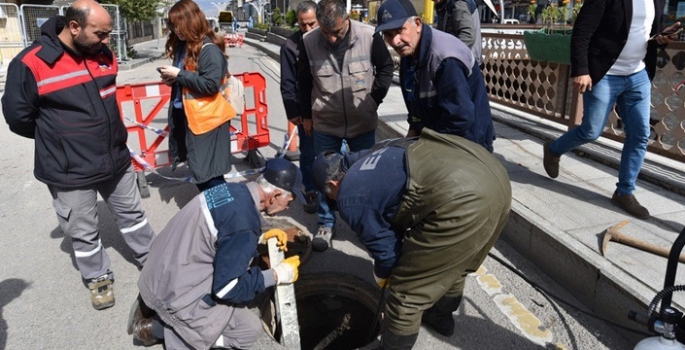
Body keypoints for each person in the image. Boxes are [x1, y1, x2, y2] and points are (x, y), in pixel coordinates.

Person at [1, 0, 155, 310]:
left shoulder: (104, 54)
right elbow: (18, 117)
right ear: (74, 27)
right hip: (69, 170)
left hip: (115, 158)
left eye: (109, 33)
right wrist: (59, 140)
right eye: (100, 33)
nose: (107, 41)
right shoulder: (32, 63)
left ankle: (153, 261)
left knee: (134, 217)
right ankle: (98, 278)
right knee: (83, 231)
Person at [311, 128, 512, 349]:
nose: (333, 202)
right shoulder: (376, 151)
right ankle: (440, 317)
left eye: (328, 196)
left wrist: (385, 275)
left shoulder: (349, 195)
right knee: (454, 264)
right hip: (494, 175)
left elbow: (387, 253)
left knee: (405, 295)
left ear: (332, 185)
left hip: (462, 200)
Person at [129, 158, 305, 349]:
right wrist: (276, 275)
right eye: (290, 200)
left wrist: (261, 237)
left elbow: (223, 232)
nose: (288, 207)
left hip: (158, 272)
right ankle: (158, 329)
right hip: (176, 292)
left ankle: (151, 305)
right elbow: (227, 289)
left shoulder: (233, 190)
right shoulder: (243, 228)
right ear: (275, 195)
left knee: (248, 320)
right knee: (247, 331)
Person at [542, 0, 679, 220]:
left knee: (640, 134)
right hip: (604, 74)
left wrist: (661, 38)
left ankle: (624, 192)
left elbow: (645, 34)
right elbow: (581, 33)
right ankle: (554, 149)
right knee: (591, 131)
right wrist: (581, 70)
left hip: (637, 75)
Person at [298, 0, 394, 251]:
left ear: (347, 18)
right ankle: (326, 222)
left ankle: (365, 223)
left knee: (364, 175)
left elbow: (386, 68)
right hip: (326, 122)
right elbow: (303, 82)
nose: (331, 39)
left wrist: (374, 100)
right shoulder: (308, 41)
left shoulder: (368, 36)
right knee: (324, 175)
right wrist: (306, 115)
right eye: (326, 33)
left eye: (337, 32)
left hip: (362, 121)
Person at [375, 0, 495, 152]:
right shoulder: (408, 57)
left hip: (468, 145)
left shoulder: (446, 59)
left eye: (399, 31)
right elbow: (415, 109)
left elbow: (460, 118)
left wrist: (424, 142)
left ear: (417, 24)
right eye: (388, 35)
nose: (394, 41)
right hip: (438, 139)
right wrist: (411, 134)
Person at [157, 0, 232, 192]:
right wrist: (174, 79)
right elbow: (190, 79)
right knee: (201, 172)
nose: (175, 30)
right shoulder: (184, 46)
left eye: (178, 25)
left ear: (192, 21)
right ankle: (217, 212)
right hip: (192, 118)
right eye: (172, 26)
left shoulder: (209, 49)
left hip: (208, 121)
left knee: (209, 175)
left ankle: (225, 214)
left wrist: (179, 74)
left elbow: (210, 84)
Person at [280, 0, 319, 214]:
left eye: (312, 23)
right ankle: (311, 191)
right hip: (306, 113)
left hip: (329, 111)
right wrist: (295, 114)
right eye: (303, 24)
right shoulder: (291, 46)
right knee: (308, 154)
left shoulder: (327, 40)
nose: (307, 29)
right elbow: (287, 84)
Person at [433, 0, 483, 66]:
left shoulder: (459, 4)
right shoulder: (444, 6)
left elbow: (468, 35)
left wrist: (448, 53)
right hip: (461, 60)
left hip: (466, 62)